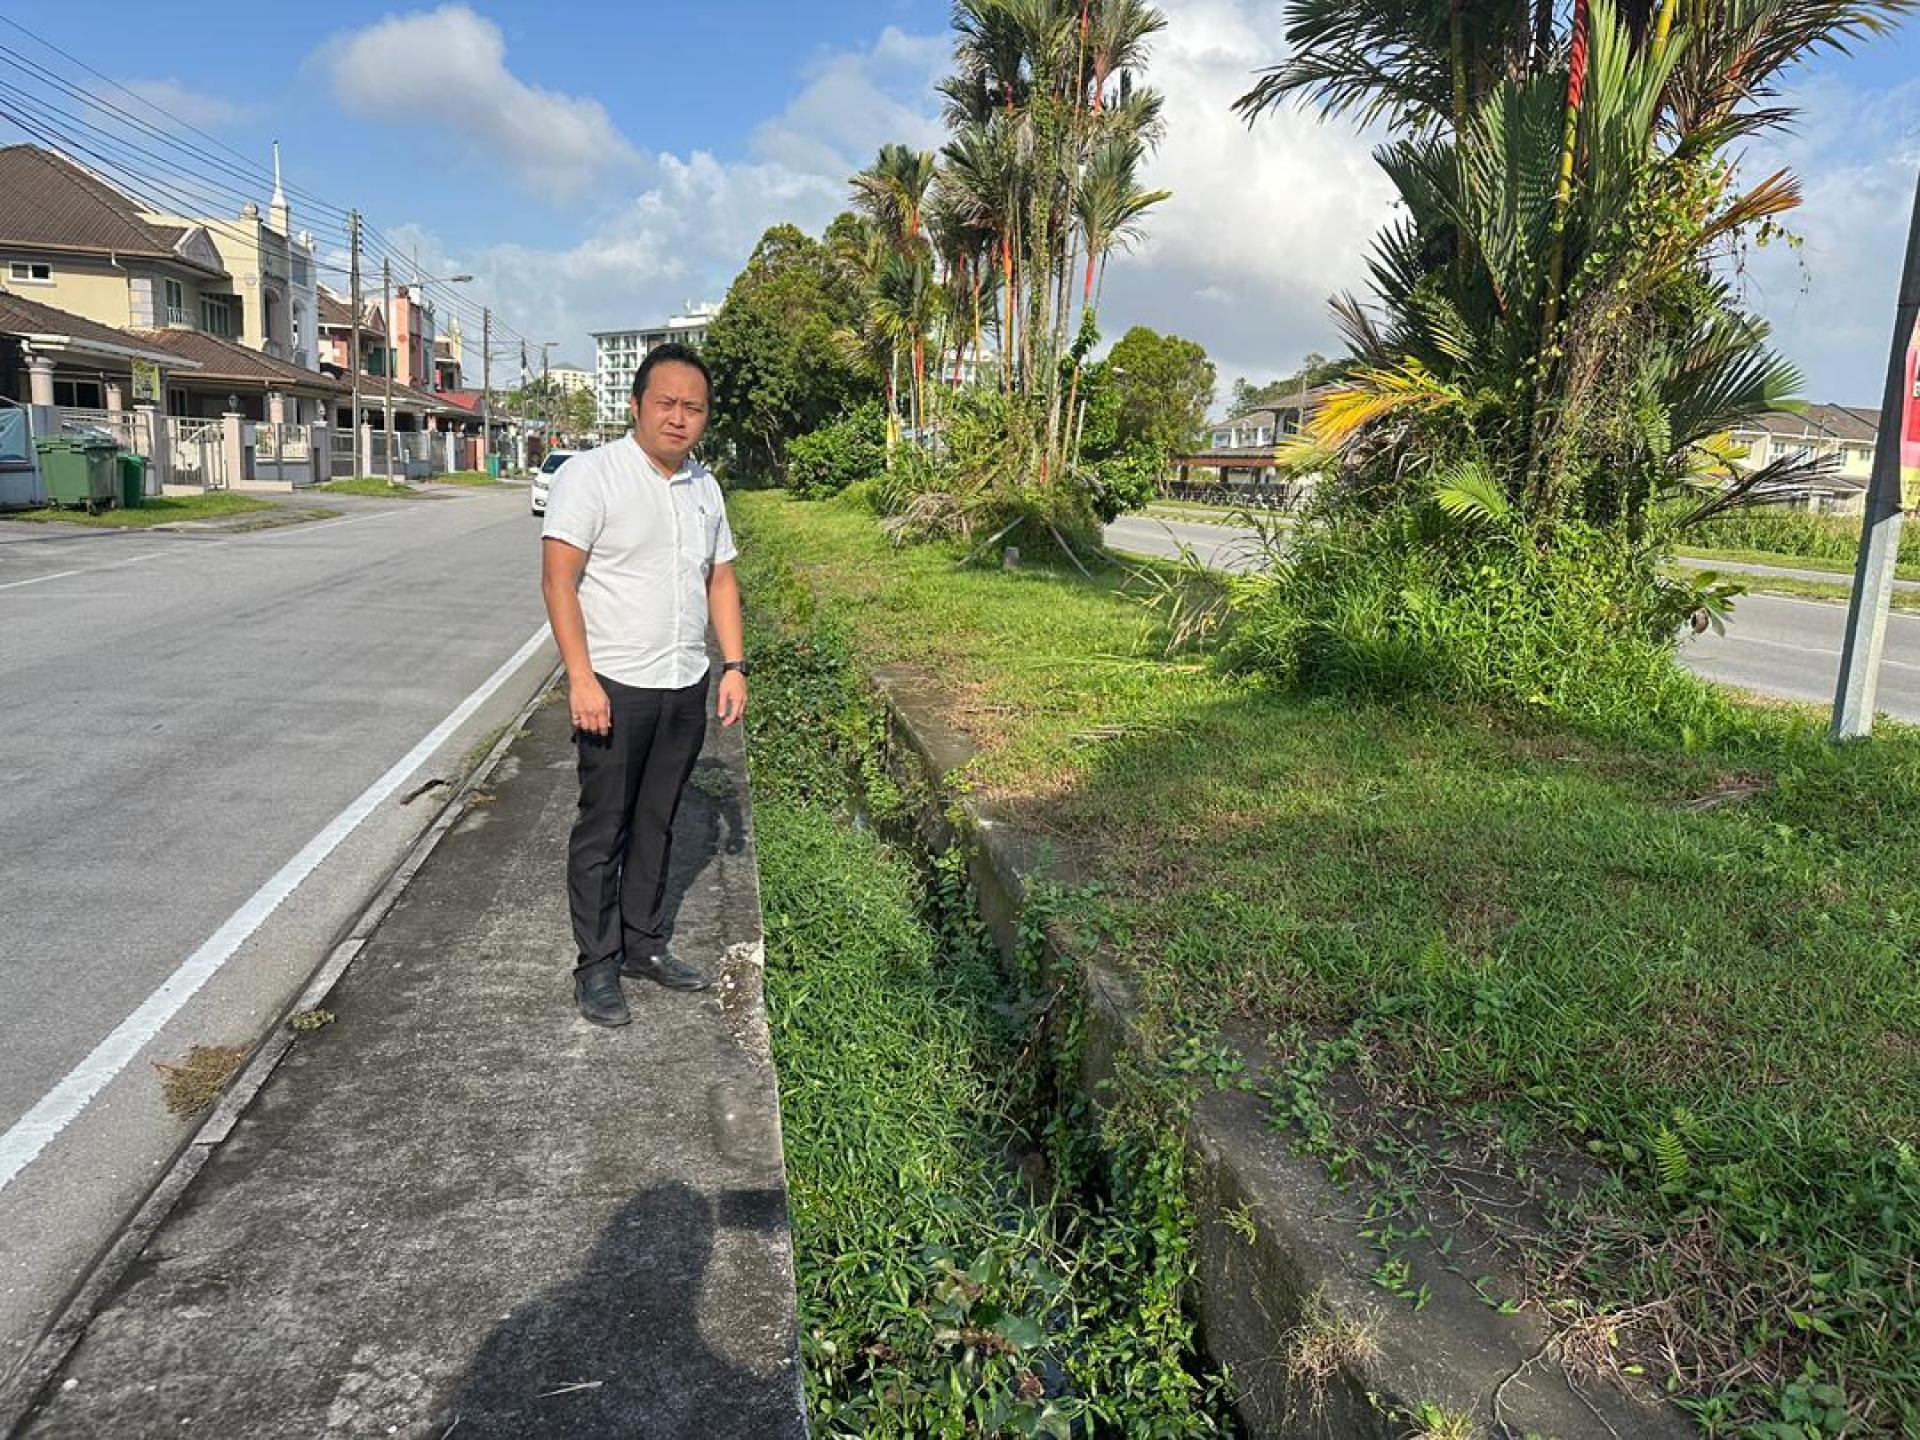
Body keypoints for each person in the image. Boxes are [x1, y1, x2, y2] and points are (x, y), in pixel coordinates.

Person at [539, 343, 747, 1027]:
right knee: (605, 827)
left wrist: (735, 665)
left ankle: (643, 945)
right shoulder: (591, 476)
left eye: (693, 407)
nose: (679, 418)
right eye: (667, 403)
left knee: (658, 820)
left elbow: (720, 578)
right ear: (635, 406)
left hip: (684, 683)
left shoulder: (705, 487)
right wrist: (580, 679)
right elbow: (558, 580)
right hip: (614, 687)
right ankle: (596, 966)